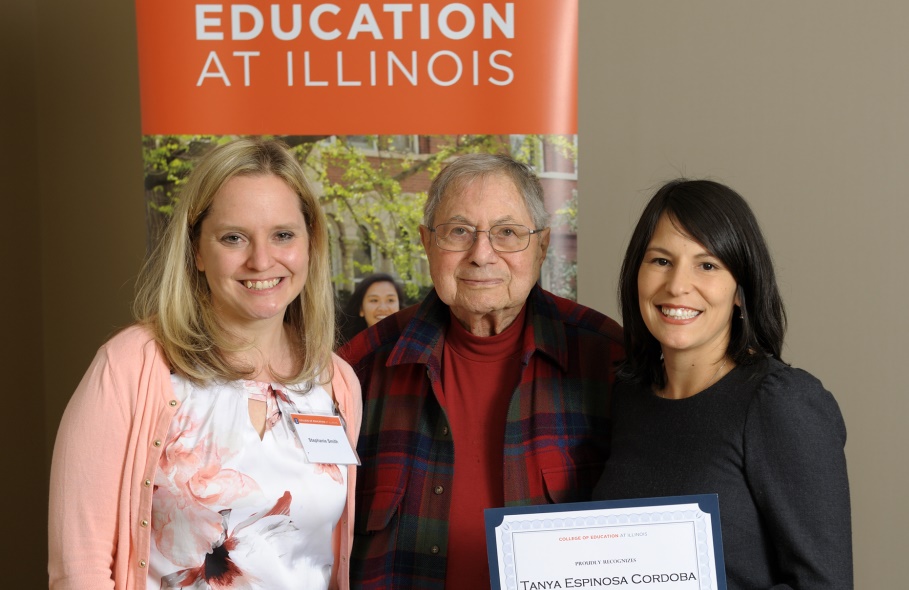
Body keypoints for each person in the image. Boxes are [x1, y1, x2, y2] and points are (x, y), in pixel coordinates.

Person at [49, 139, 362, 590]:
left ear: (310, 245)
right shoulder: (132, 367)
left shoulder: (337, 383)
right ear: (197, 250)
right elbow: (80, 568)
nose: (261, 259)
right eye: (233, 237)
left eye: (283, 235)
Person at [339, 153, 624, 588]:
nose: (481, 254)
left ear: (542, 245)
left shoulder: (607, 360)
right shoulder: (358, 369)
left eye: (507, 233)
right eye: (459, 232)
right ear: (426, 242)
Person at [593, 179, 852, 589]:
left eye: (707, 265)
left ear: (739, 290)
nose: (677, 285)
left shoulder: (781, 402)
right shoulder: (629, 397)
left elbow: (825, 584)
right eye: (661, 260)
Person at [338, 273, 404, 344]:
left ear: (399, 307)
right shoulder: (345, 351)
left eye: (390, 300)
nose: (383, 308)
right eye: (374, 300)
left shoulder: (412, 344)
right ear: (361, 309)